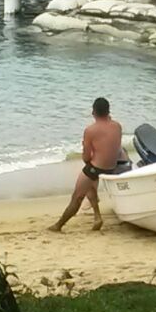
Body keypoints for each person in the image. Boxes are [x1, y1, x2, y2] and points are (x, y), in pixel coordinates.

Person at [49, 98, 124, 233]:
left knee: (77, 197)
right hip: (112, 167)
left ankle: (58, 225)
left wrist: (88, 156)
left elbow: (86, 157)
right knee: (90, 182)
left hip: (96, 168)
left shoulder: (90, 130)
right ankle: (97, 217)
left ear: (93, 112)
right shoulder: (117, 126)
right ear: (108, 111)